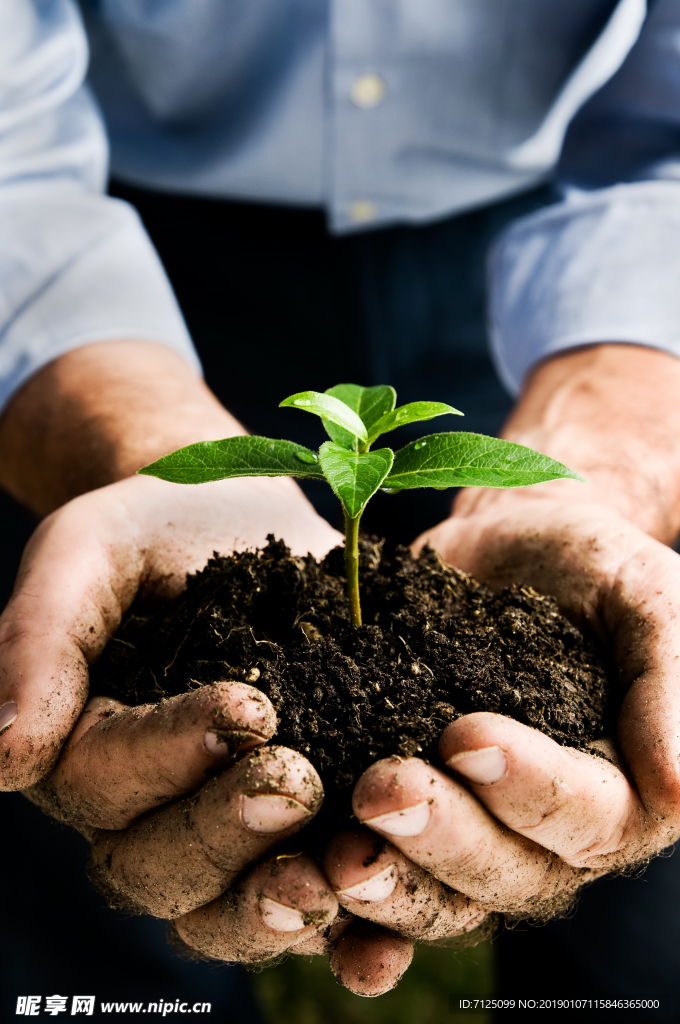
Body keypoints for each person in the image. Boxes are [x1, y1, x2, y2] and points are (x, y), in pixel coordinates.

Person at [3, 0, 680, 1011]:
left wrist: (608, 465)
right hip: (131, 253)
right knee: (95, 886)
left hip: (560, 250)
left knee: (634, 914)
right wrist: (131, 451)